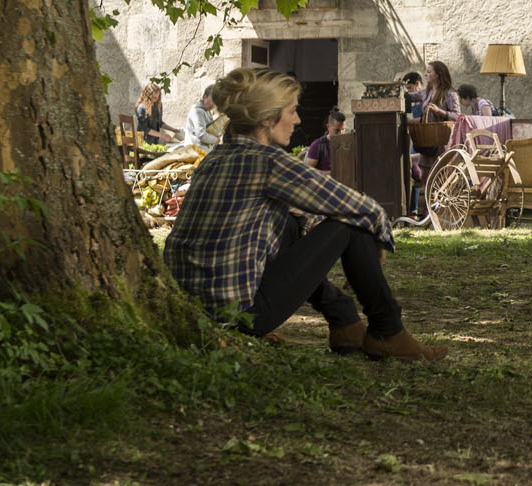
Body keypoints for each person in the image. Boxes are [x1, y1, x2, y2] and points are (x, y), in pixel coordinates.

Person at [163, 67, 446, 361]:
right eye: (292, 111)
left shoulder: (215, 160)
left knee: (287, 224)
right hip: (239, 317)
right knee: (348, 225)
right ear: (267, 118)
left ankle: (344, 319)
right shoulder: (268, 162)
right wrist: (377, 237)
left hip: (194, 311)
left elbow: (302, 215)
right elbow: (361, 207)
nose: (297, 120)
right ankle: (388, 331)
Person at [135, 82, 181, 147]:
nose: (156, 99)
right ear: (148, 96)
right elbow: (145, 129)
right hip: (143, 142)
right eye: (154, 97)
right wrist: (163, 135)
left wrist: (173, 130)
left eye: (158, 97)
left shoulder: (158, 105)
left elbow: (160, 123)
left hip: (155, 141)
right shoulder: (141, 108)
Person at [304, 109, 346, 174]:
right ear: (328, 127)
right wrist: (330, 174)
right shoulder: (317, 145)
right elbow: (308, 170)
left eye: (343, 130)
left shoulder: (349, 143)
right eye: (337, 130)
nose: (340, 133)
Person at [183, 84, 221, 149]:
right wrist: (215, 140)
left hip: (202, 148)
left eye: (215, 102)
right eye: (211, 101)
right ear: (204, 97)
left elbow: (207, 129)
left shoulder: (207, 111)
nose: (213, 104)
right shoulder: (197, 111)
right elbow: (201, 134)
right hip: (195, 149)